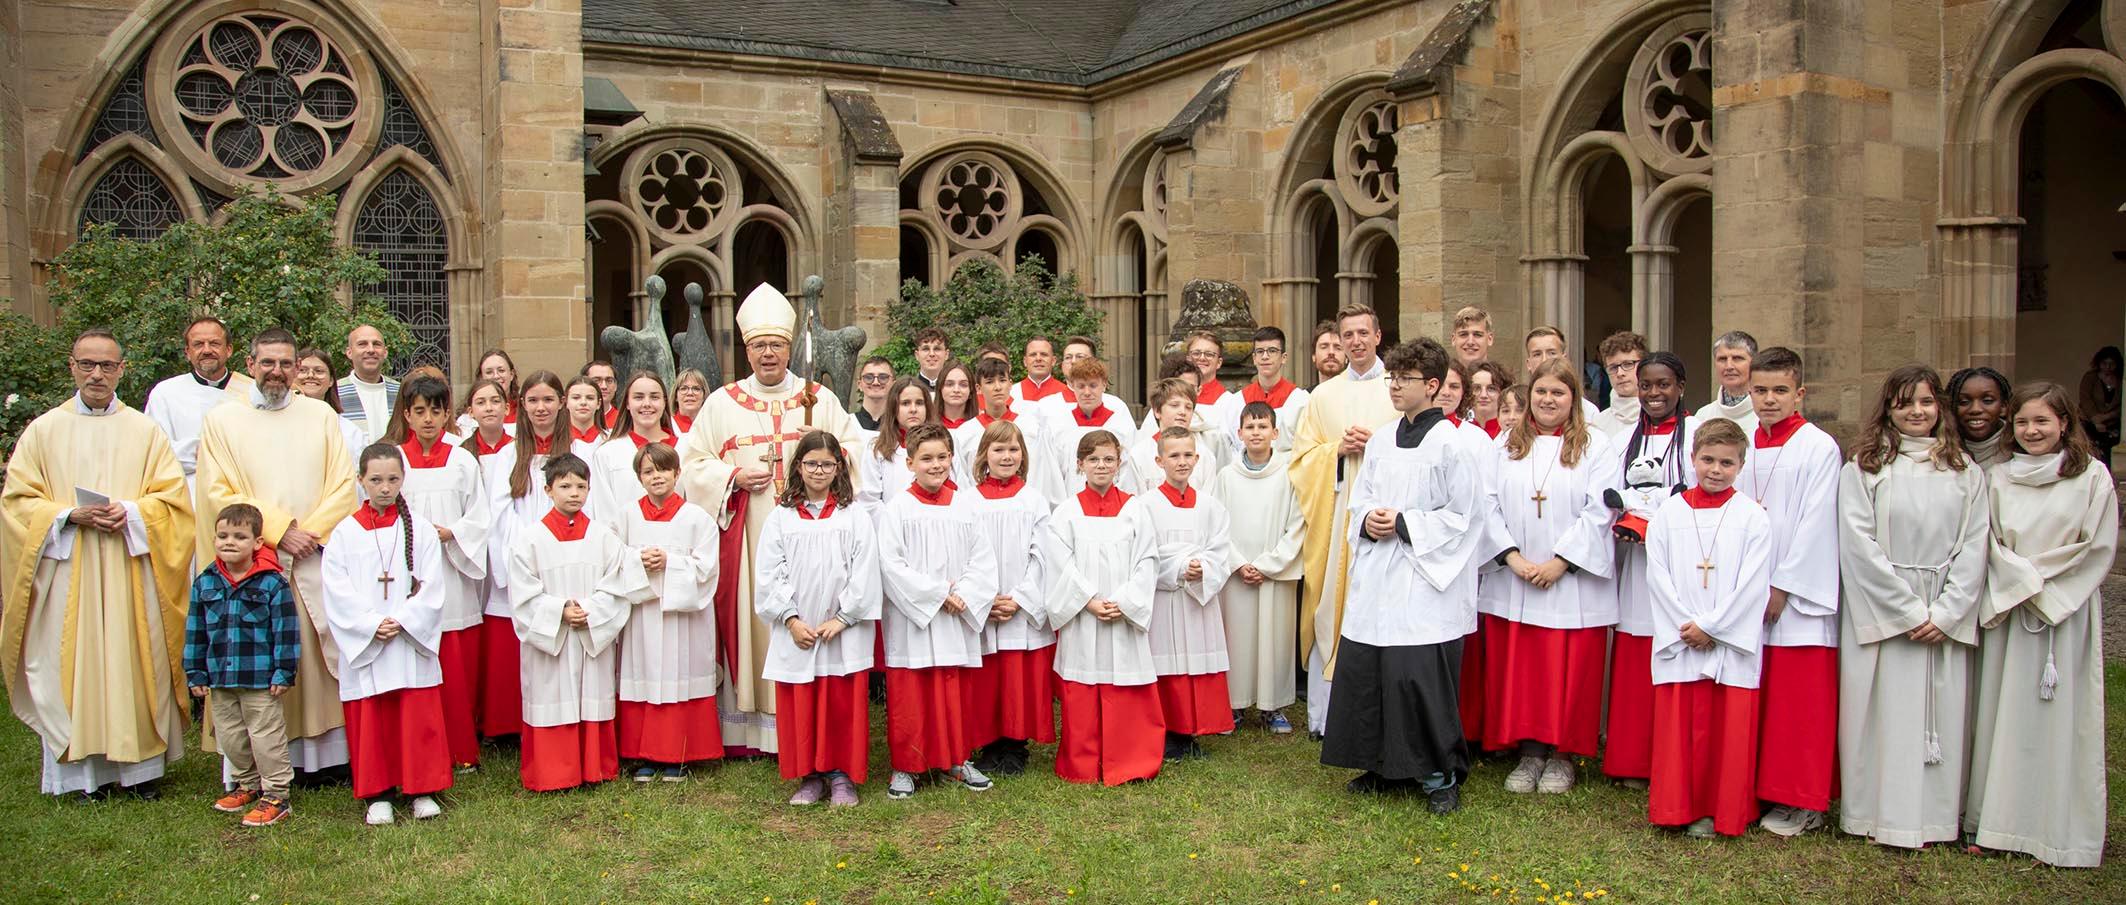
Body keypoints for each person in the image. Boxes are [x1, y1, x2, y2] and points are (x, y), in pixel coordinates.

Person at [2, 330, 195, 799]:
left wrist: (130, 512)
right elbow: (17, 502)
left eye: (107, 366)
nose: (96, 374)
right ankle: (82, 776)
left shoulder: (144, 432)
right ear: (72, 367)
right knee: (70, 666)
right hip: (68, 571)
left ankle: (141, 774)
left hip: (131, 569)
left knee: (136, 665)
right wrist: (69, 515)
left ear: (121, 371)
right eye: (87, 364)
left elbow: (174, 502)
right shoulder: (44, 430)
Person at [680, 283, 865, 756]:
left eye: (777, 345)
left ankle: (808, 720)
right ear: (747, 350)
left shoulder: (818, 399)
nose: (768, 354)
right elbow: (691, 464)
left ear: (788, 349)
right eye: (760, 345)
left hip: (815, 537)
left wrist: (828, 446)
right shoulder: (722, 403)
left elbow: (856, 452)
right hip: (751, 533)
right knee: (757, 618)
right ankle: (753, 725)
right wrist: (732, 476)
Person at [1322, 338, 1485, 812]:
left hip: (1424, 578)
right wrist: (1368, 520)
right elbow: (1360, 498)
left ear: (1432, 385)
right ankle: (1382, 765)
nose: (1393, 386)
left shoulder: (1453, 444)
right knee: (1373, 672)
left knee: (1416, 678)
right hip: (1379, 575)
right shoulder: (1382, 438)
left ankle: (1439, 774)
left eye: (1404, 379)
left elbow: (1466, 517)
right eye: (1391, 377)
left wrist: (1404, 523)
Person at [1836, 364, 1988, 851]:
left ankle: (1936, 819)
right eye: (1905, 403)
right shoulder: (1865, 467)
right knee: (1883, 717)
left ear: (1939, 407)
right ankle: (1875, 815)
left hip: (1942, 607)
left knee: (1940, 716)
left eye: (1925, 402)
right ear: (1888, 409)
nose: (1916, 412)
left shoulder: (1964, 471)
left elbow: (1976, 544)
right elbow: (1857, 544)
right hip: (1886, 610)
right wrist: (1906, 611)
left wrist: (1947, 612)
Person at [196, 328, 359, 779]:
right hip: (256, 560)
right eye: (267, 362)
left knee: (315, 659)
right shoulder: (223, 420)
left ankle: (323, 761)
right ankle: (255, 763)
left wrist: (308, 535)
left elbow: (342, 484)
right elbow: (216, 491)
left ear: (297, 368)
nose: (277, 372)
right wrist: (279, 531)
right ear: (250, 365)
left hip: (311, 554)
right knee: (260, 657)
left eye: (286, 363)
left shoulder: (320, 416)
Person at [1969, 381, 2116, 868]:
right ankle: (1997, 823)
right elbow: (1987, 541)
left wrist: (2035, 586)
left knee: (2060, 721)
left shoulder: (2091, 477)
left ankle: (2057, 830)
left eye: (2042, 421)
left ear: (2065, 423)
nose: (2032, 431)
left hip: (2062, 611)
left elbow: (2095, 546)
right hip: (2013, 609)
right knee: (2003, 715)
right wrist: (2020, 584)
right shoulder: (1998, 477)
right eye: (2023, 422)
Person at [1476, 360, 1618, 795]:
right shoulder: (1505, 444)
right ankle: (1530, 752)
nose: (1548, 400)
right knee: (1525, 670)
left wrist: (1562, 562)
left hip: (1572, 582)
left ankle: (1562, 755)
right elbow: (1486, 503)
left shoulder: (1596, 445)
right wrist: (1511, 557)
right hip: (1516, 576)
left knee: (1569, 670)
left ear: (1574, 398)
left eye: (1558, 392)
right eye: (1541, 391)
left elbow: (1601, 509)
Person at [1645, 418, 1772, 839]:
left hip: (1727, 644)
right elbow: (1657, 575)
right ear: (1693, 458)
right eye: (1708, 460)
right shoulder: (1669, 513)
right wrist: (1687, 627)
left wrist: (1712, 628)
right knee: (1680, 730)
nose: (1716, 470)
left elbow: (1753, 585)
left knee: (1726, 732)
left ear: (1741, 466)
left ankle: (1723, 810)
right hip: (1682, 638)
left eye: (1727, 463)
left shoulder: (1752, 517)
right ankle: (1676, 807)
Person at [1734, 347, 1843, 837]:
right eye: (1760, 390)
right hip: (1746, 593)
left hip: (1795, 601)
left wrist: (1782, 587)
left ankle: (1803, 800)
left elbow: (1817, 524)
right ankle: (1758, 790)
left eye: (1780, 390)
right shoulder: (1742, 444)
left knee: (1797, 704)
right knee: (1757, 698)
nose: (1769, 400)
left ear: (1800, 393)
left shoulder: (1818, 447)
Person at [320, 444, 452, 825]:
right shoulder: (344, 534)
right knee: (372, 716)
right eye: (376, 479)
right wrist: (369, 625)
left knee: (415, 715)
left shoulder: (420, 530)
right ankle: (378, 793)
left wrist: (404, 620)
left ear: (403, 479)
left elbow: (432, 585)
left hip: (407, 638)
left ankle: (422, 788)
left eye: (393, 479)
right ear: (360, 480)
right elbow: (336, 590)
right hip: (369, 639)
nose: (384, 488)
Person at [507, 454, 651, 792]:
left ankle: (593, 768)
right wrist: (559, 610)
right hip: (553, 637)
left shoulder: (603, 537)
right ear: (548, 490)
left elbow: (617, 583)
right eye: (565, 486)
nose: (574, 493)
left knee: (592, 694)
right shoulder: (530, 539)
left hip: (589, 630)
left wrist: (590, 610)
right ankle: (554, 772)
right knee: (551, 695)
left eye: (581, 486)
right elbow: (522, 591)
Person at [1290, 303, 1397, 737]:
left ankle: (1383, 714)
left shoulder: (1397, 387)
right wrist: (1337, 450)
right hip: (1336, 522)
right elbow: (1301, 460)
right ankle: (1326, 717)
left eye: (1362, 333)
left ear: (1378, 336)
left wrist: (1377, 447)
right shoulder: (1323, 396)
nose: (1355, 341)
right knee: (1331, 604)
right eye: (1347, 334)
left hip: (1385, 521)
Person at [876, 424, 999, 799]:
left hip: (955, 615)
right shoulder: (897, 509)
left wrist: (963, 594)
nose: (935, 465)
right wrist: (937, 594)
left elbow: (983, 559)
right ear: (909, 463)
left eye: (942, 457)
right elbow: (891, 565)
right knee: (911, 692)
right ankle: (907, 765)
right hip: (914, 619)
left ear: (951, 458)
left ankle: (956, 759)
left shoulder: (965, 505)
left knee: (953, 689)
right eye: (926, 458)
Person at [756, 431, 878, 806]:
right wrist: (791, 620)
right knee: (803, 704)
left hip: (842, 630)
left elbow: (865, 570)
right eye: (811, 463)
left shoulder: (853, 515)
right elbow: (768, 573)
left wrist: (843, 617)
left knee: (841, 704)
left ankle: (842, 776)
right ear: (798, 466)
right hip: (799, 629)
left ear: (839, 467)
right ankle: (809, 776)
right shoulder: (781, 518)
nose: (819, 471)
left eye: (827, 464)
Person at [383, 374, 492, 773]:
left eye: (435, 411)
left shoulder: (462, 460)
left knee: (455, 663)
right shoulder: (394, 461)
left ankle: (461, 747)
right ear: (407, 415)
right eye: (419, 411)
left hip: (451, 568)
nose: (427, 419)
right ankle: (418, 744)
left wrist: (453, 533)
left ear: (447, 414)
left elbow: (479, 515)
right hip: (408, 570)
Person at [1044, 429, 1164, 785]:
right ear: (1079, 464)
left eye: (1109, 459)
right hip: (1085, 616)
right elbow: (1059, 564)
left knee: (1125, 682)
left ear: (1119, 463)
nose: (1101, 465)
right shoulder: (1066, 513)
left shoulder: (1134, 509)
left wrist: (1125, 601)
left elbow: (1147, 560)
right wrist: (1089, 601)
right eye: (1093, 459)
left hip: (1122, 614)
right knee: (1084, 681)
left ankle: (1131, 758)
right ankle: (1083, 762)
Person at [1600, 351, 1695, 789]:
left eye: (1663, 385)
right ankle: (1632, 759)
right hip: (1636, 565)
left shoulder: (1696, 436)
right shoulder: (1623, 440)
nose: (1654, 393)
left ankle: (1672, 756)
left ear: (1680, 387)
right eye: (1646, 385)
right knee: (1636, 652)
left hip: (1682, 565)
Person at [615, 443, 723, 781]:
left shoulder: (697, 518)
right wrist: (637, 561)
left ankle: (679, 753)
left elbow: (707, 569)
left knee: (680, 676)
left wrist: (670, 563)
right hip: (643, 615)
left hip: (682, 620)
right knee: (644, 675)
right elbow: (612, 560)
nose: (656, 477)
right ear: (639, 478)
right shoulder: (626, 516)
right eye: (648, 471)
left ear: (677, 473)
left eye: (663, 469)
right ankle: (644, 755)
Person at [184, 503, 297, 826]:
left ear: (258, 542)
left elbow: (286, 631)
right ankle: (248, 784)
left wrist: (284, 671)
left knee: (266, 737)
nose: (229, 542)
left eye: (239, 536)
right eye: (223, 536)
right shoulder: (205, 583)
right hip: (221, 678)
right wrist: (195, 672)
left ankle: (276, 794)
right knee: (231, 737)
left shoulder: (272, 583)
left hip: (260, 679)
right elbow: (195, 631)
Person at [964, 421, 1056, 775]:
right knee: (987, 678)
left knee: (1018, 676)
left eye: (1013, 449)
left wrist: (1019, 598)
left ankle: (1016, 746)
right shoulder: (967, 502)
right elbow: (963, 556)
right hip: (985, 605)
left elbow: (1042, 556)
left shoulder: (1034, 501)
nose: (1006, 456)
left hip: (1019, 603)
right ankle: (989, 744)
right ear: (984, 454)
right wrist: (984, 600)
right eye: (999, 449)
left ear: (1023, 455)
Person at [1138, 427, 1236, 760]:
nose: (1182, 462)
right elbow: (1144, 554)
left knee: (1196, 662)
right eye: (1174, 455)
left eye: (1188, 455)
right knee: (1166, 664)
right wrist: (1180, 565)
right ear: (1159, 461)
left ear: (1197, 458)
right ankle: (1168, 733)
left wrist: (1203, 567)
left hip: (1197, 599)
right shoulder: (1145, 506)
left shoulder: (1211, 507)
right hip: (1164, 599)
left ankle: (1191, 730)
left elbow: (1221, 549)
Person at [480, 371, 567, 740]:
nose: (541, 407)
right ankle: (510, 725)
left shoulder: (581, 452)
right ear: (522, 406)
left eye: (548, 399)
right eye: (533, 400)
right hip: (520, 556)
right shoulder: (507, 455)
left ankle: (559, 714)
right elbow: (499, 514)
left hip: (566, 556)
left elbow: (590, 506)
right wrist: (529, 550)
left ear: (561, 402)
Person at [1212, 402, 1307, 733]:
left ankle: (1273, 706)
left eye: (1263, 426)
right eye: (1250, 427)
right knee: (1237, 637)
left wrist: (1267, 565)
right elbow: (1217, 525)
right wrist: (1239, 563)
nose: (1256, 433)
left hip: (1274, 573)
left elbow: (1297, 525)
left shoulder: (1289, 474)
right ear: (1239, 433)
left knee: (1274, 638)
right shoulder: (1226, 476)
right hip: (1237, 573)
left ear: (1275, 432)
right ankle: (1235, 704)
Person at [145, 316, 254, 488]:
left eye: (215, 343)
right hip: (188, 493)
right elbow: (156, 455)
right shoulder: (165, 393)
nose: (207, 350)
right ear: (188, 353)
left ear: (229, 350)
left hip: (241, 490)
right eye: (198, 344)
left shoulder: (251, 392)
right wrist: (205, 451)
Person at [1038, 358, 1136, 502]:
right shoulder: (1058, 426)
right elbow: (1051, 474)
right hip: (1071, 504)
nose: (1087, 392)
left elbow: (1128, 472)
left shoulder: (1120, 424)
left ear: (1104, 385)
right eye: (1081, 386)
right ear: (1072, 386)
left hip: (1113, 504)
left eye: (1093, 385)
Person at [591, 371, 679, 524]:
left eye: (654, 397)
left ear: (664, 402)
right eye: (638, 397)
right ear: (627, 403)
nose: (647, 404)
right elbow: (604, 515)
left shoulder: (687, 448)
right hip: (627, 538)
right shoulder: (607, 453)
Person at [1128, 378, 1217, 497]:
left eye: (1188, 407)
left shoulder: (1205, 455)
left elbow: (1209, 501)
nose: (1183, 412)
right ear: (1157, 411)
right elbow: (1134, 500)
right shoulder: (1139, 454)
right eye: (1175, 405)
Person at [860, 376, 937, 510]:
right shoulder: (877, 447)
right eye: (905, 403)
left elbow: (958, 487)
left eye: (919, 403)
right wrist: (894, 520)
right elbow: (869, 500)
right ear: (893, 408)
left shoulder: (942, 444)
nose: (913, 409)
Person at [294, 347, 375, 474]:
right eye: (302, 370)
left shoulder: (349, 431)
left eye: (319, 371)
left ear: (331, 381)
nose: (310, 375)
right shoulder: (279, 421)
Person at [1240, 326, 1310, 454]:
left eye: (1272, 351)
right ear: (1254, 358)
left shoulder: (1300, 400)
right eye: (1260, 351)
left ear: (1284, 357)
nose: (1265, 356)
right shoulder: (1237, 401)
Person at [335, 325, 399, 442]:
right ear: (349, 352)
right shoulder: (335, 392)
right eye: (362, 344)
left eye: (376, 344)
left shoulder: (400, 391)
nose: (371, 350)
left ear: (385, 352)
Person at [1522, 326, 1600, 420]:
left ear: (1564, 359)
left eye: (1552, 353)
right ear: (1528, 364)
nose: (1544, 360)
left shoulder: (1588, 412)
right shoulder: (1514, 409)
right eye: (1537, 354)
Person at [1694, 331, 1759, 435]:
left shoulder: (1766, 413)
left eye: (1737, 358)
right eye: (1722, 359)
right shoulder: (1703, 416)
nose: (1729, 366)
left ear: (1754, 363)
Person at [1949, 366, 2013, 467]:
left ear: (2003, 407)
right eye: (1964, 402)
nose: (1976, 409)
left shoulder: (2019, 445)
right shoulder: (1941, 448)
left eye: (1987, 401)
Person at [1591, 332, 1647, 439]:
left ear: (1644, 366)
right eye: (1613, 368)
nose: (1620, 373)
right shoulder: (1597, 424)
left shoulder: (1661, 417)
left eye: (1628, 364)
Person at [456, 349, 520, 438]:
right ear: (481, 377)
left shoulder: (526, 411)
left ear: (511, 374)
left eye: (501, 370)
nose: (496, 376)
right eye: (489, 372)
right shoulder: (466, 420)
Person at [2076, 345, 2120, 470]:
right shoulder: (2091, 377)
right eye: (2104, 363)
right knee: (2090, 451)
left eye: (2112, 364)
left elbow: (2122, 404)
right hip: (2089, 421)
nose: (2108, 367)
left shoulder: (2120, 379)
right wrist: (2095, 419)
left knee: (2109, 455)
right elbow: (2085, 399)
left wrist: (2107, 417)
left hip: (2112, 424)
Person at [1011, 335, 1068, 412]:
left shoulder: (1066, 393)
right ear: (1025, 361)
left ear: (1053, 361)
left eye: (1044, 354)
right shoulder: (1012, 393)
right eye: (1033, 355)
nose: (1038, 359)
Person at [462, 380, 514, 461]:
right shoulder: (462, 453)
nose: (489, 408)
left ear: (507, 408)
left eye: (495, 401)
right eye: (480, 402)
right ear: (471, 412)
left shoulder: (519, 448)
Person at [564, 376, 606, 464]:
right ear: (566, 402)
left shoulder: (610, 441)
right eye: (576, 398)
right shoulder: (556, 441)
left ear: (598, 403)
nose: (583, 402)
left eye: (590, 398)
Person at [852, 356, 896, 434]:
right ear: (859, 384)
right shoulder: (847, 424)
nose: (876, 382)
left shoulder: (901, 426)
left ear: (893, 384)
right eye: (868, 377)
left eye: (883, 377)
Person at [1469, 362, 1512, 438]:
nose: (1483, 395)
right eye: (1476, 388)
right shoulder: (1459, 432)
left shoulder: (1512, 432)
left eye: (1491, 388)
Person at [672, 368, 711, 437]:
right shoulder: (667, 426)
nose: (690, 393)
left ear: (704, 396)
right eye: (684, 388)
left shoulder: (713, 426)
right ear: (676, 396)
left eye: (696, 389)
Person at [582, 360, 620, 429]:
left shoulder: (625, 421)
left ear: (615, 386)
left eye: (609, 381)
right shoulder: (569, 421)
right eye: (596, 380)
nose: (604, 386)